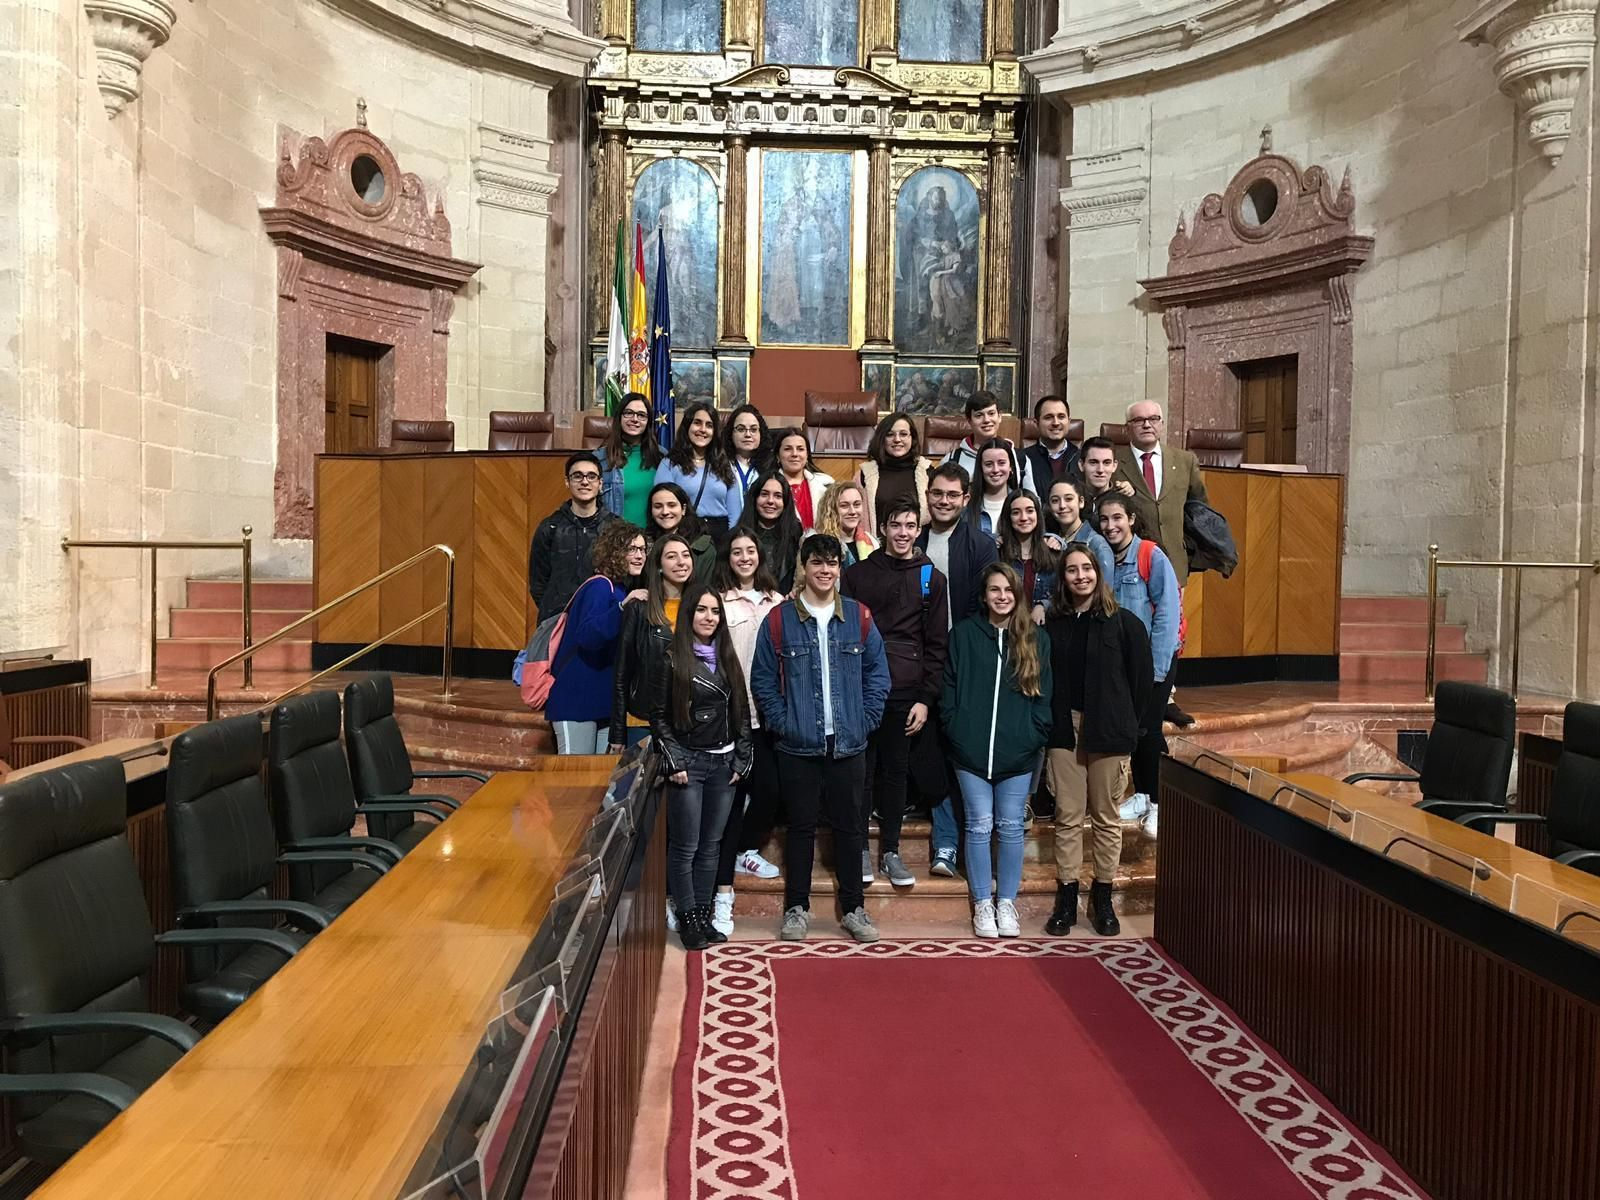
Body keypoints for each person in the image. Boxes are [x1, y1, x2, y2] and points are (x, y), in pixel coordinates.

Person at [750, 534, 890, 944]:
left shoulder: (860, 617)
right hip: (798, 745)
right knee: (801, 829)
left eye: (832, 563)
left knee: (851, 829)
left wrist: (864, 720)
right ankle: (797, 908)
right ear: (804, 567)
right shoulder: (779, 620)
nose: (825, 570)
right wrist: (784, 722)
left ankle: (854, 909)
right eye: (817, 563)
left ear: (839, 568)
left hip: (850, 743)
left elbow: (878, 676)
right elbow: (762, 680)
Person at [1043, 545, 1153, 937]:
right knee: (1068, 817)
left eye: (1086, 568)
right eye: (1071, 570)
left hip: (1109, 727)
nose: (1080, 576)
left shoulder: (1125, 624)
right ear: (1063, 578)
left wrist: (1128, 723)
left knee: (1106, 818)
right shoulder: (1053, 625)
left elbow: (1141, 682)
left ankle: (1102, 898)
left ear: (1098, 573)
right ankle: (1067, 898)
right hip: (1063, 728)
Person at [942, 563, 1053, 938]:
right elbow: (949, 690)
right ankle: (982, 904)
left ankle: (1006, 902)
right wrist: (957, 729)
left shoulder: (1036, 639)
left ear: (1017, 594)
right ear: (984, 595)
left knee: (1009, 827)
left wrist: (1032, 734)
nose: (1002, 596)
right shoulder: (964, 635)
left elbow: (1045, 698)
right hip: (970, 753)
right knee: (977, 825)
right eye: (994, 590)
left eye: (1008, 590)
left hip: (1018, 754)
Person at [843, 499, 948, 889]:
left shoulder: (931, 579)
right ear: (883, 528)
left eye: (910, 526)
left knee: (896, 773)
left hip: (907, 691)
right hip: (862, 689)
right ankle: (857, 849)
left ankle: (890, 849)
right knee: (861, 771)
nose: (903, 533)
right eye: (896, 525)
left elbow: (937, 644)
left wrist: (926, 698)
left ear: (918, 531)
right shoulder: (856, 574)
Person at [651, 583, 754, 952]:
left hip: (724, 764)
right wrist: (675, 760)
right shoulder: (671, 658)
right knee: (686, 846)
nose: (709, 618)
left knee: (711, 846)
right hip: (689, 765)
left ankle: (704, 913)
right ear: (690, 614)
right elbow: (659, 718)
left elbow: (740, 710)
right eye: (701, 610)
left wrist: (743, 758)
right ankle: (689, 916)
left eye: (715, 612)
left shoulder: (727, 655)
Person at [916, 462, 997, 877]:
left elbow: (982, 607)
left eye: (952, 495)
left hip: (965, 662)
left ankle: (967, 843)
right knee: (933, 756)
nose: (943, 501)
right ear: (926, 495)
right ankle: (945, 843)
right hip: (920, 663)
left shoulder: (982, 545)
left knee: (963, 754)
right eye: (936, 494)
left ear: (966, 500)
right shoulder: (913, 539)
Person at [711, 530, 787, 937]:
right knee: (732, 796)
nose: (744, 557)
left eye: (751, 551)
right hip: (732, 713)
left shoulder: (777, 602)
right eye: (737, 551)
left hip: (768, 713)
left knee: (771, 791)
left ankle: (745, 849)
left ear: (761, 556)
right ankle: (722, 887)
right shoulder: (718, 602)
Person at [1115, 399, 1207, 727]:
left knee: (1172, 631)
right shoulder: (1115, 462)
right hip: (1133, 562)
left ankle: (1167, 696)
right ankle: (1136, 692)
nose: (1147, 424)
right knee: (1140, 629)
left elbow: (1199, 510)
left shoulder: (1184, 460)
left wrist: (1192, 553)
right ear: (1128, 428)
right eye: (1139, 420)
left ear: (1162, 423)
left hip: (1173, 562)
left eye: (1153, 418)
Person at [1097, 494, 1180, 839]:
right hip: (1123, 666)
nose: (1111, 525)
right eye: (1104, 519)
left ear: (1131, 519)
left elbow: (1168, 615)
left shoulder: (1151, 556)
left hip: (1155, 661)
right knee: (1136, 733)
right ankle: (1144, 796)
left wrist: (1157, 671)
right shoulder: (1102, 559)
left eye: (1117, 517)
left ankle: (1160, 805)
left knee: (1148, 733)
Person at [545, 524, 647, 755]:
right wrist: (622, 608)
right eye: (632, 549)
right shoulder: (600, 587)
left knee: (598, 781)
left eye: (642, 549)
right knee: (573, 780)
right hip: (576, 700)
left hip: (603, 702)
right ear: (614, 552)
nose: (640, 555)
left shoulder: (621, 588)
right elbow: (588, 635)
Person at [609, 533, 697, 752]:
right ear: (658, 565)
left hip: (688, 723)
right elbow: (622, 674)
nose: (681, 562)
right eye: (672, 556)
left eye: (685, 555)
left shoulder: (701, 608)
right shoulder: (639, 608)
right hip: (643, 722)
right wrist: (618, 733)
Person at [528, 452, 617, 622]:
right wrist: (554, 610)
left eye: (591, 476)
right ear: (567, 482)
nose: (584, 481)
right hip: (556, 620)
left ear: (600, 484)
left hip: (602, 620)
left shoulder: (615, 528)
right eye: (577, 476)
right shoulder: (550, 527)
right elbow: (538, 583)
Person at [655, 402, 743, 537]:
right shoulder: (670, 464)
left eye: (709, 425)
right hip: (685, 534)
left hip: (720, 535)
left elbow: (734, 513)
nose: (703, 429)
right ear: (687, 427)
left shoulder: (724, 464)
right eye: (697, 423)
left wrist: (730, 542)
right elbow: (662, 505)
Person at [939, 391, 1035, 497]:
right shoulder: (951, 461)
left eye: (991, 413)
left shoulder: (1020, 459)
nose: (986, 420)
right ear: (969, 421)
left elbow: (1032, 502)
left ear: (1000, 416)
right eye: (979, 415)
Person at [595, 392, 663, 527]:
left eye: (641, 415)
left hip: (655, 539)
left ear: (648, 421)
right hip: (617, 540)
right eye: (628, 413)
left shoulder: (661, 456)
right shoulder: (600, 458)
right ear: (619, 417)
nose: (635, 419)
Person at [734, 469, 804, 594]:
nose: (770, 501)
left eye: (778, 496)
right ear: (755, 498)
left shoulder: (797, 535)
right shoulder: (739, 535)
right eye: (764, 494)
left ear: (786, 501)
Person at [857, 413, 930, 532]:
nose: (897, 439)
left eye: (903, 434)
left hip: (918, 548)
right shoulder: (865, 474)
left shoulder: (927, 471)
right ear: (882, 439)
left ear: (912, 438)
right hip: (875, 548)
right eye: (890, 435)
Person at [998, 489, 1058, 625]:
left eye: (1030, 511)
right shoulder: (997, 552)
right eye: (1016, 512)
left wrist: (1043, 605)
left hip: (1043, 631)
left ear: (1038, 514)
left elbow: (1062, 595)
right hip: (1007, 627)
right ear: (1008, 517)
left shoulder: (1053, 552)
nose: (1024, 517)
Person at [1046, 476, 1116, 584]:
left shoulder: (1097, 545)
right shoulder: (1050, 541)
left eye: (1068, 499)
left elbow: (1105, 594)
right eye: (1055, 501)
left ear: (1081, 502)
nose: (1062, 506)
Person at [644, 482, 716, 582]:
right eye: (658, 506)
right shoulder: (643, 545)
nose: (665, 512)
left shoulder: (701, 546)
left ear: (683, 509)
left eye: (671, 505)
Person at [774, 427, 832, 530]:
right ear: (778, 456)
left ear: (807, 455)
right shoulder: (767, 486)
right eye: (788, 449)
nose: (795, 454)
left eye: (800, 449)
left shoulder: (828, 484)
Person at [811, 480, 877, 568]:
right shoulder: (815, 543)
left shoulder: (872, 542)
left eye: (857, 504)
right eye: (844, 505)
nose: (852, 511)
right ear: (831, 509)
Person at [1022, 394, 1081, 492]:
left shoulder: (1082, 458)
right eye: (1048, 417)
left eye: (1061, 417)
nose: (1056, 423)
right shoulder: (1023, 459)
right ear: (1036, 423)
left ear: (1069, 421)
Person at [1079, 435, 1134, 531]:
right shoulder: (1071, 498)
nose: (1100, 470)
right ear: (1081, 465)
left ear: (1114, 466)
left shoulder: (1124, 501)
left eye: (1106, 463)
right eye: (1093, 462)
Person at [967, 438, 1020, 539]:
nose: (995, 470)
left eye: (1001, 463)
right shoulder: (966, 505)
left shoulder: (1023, 502)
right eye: (988, 464)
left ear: (1011, 466)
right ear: (981, 468)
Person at [722, 403, 772, 497]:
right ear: (730, 433)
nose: (748, 434)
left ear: (761, 433)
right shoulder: (720, 465)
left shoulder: (771, 466)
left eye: (753, 430)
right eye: (741, 429)